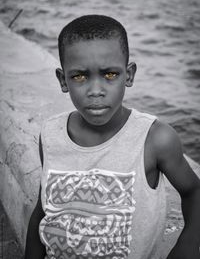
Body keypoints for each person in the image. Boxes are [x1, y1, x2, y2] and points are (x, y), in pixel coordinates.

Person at [25, 15, 200, 259]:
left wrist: (187, 245)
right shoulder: (51, 135)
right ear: (62, 80)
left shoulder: (154, 139)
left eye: (110, 75)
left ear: (128, 75)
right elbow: (43, 210)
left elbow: (194, 191)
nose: (95, 91)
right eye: (79, 76)